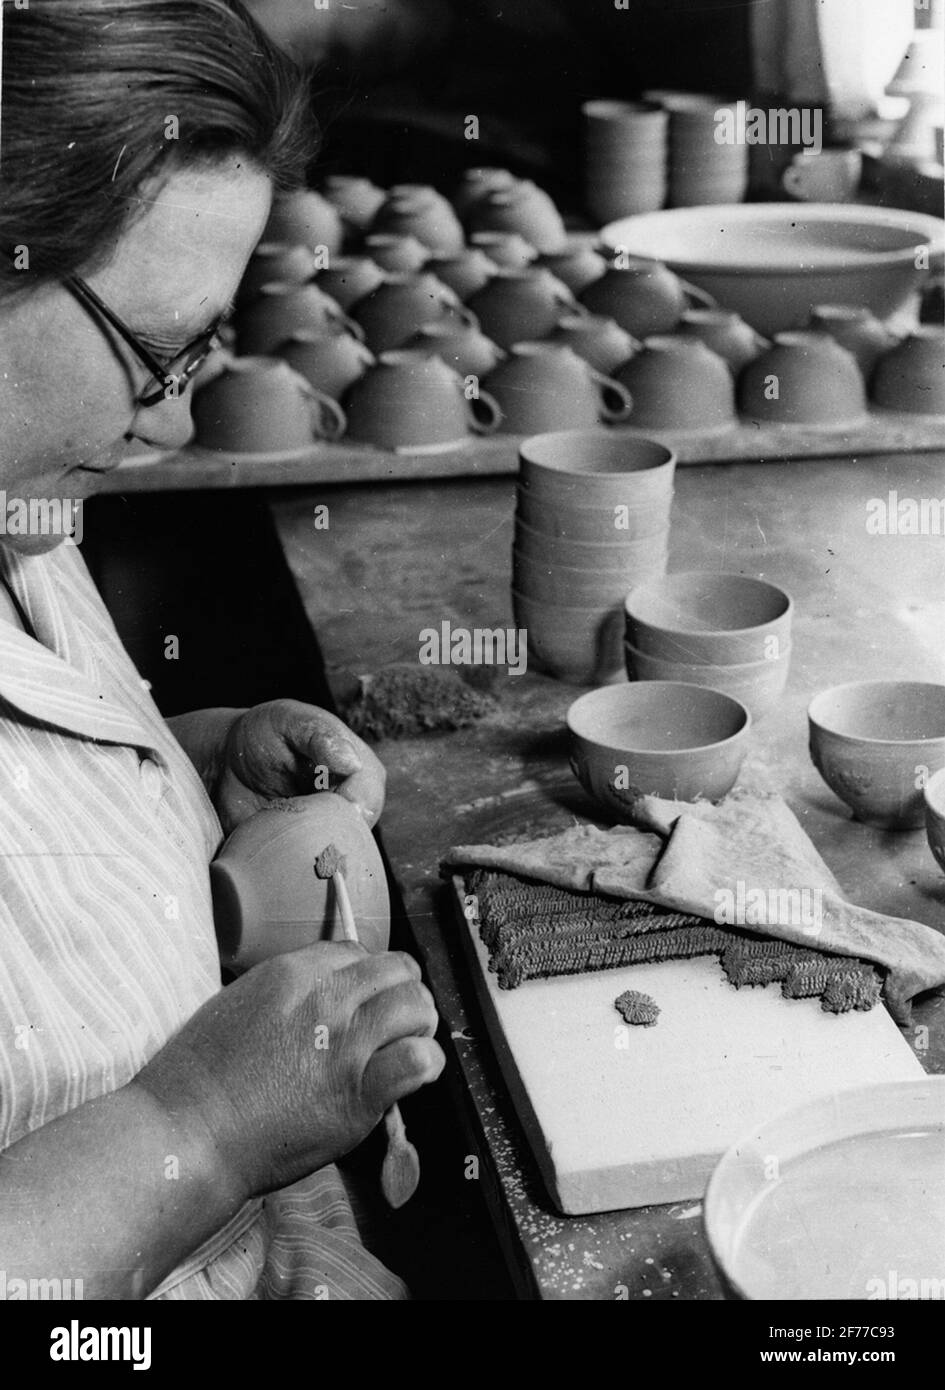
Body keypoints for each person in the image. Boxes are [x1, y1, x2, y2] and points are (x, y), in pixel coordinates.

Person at [0, 0, 444, 1301]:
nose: (183, 415)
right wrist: (195, 1129)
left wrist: (187, 773)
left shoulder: (26, 503)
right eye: (155, 352)